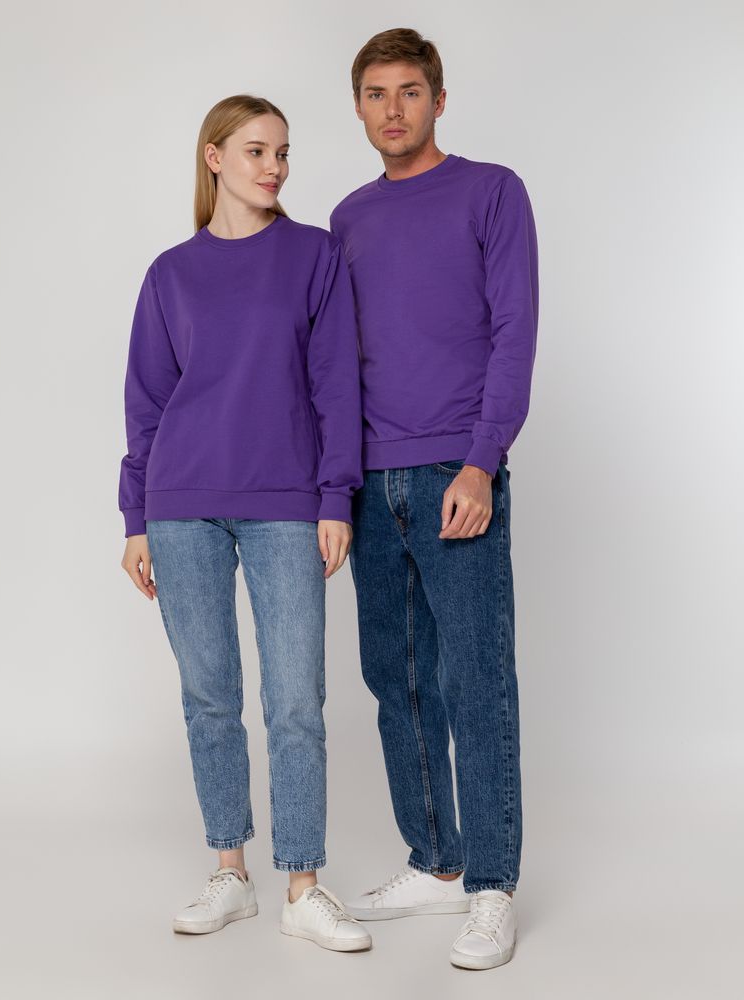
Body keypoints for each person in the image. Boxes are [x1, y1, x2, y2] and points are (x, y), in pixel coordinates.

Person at [118, 94, 371, 953]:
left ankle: (302, 883)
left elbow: (336, 383)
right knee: (209, 698)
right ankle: (230, 870)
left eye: (284, 152)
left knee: (296, 700)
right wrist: (135, 516)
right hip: (180, 503)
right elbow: (147, 403)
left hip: (284, 502)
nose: (275, 167)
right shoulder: (170, 273)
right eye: (257, 150)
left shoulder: (313, 255)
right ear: (215, 157)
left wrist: (335, 497)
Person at [329, 29, 539, 970]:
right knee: (396, 679)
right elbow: (332, 363)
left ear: (438, 100)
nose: (392, 109)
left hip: (456, 471)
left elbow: (514, 330)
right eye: (375, 94)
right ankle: (435, 860)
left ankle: (491, 885)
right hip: (368, 484)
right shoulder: (345, 218)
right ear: (358, 107)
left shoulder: (491, 192)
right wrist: (334, 486)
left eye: (409, 92)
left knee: (475, 679)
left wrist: (480, 462)